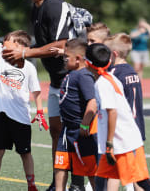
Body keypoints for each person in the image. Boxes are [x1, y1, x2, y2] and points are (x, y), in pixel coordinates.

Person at [2, 0, 80, 191]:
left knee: (72, 134)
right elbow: (44, 45)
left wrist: (25, 53)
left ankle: (79, 183)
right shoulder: (37, 8)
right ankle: (59, 184)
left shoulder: (54, 6)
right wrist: (18, 55)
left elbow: (61, 44)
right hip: (57, 80)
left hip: (71, 78)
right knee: (56, 132)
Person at [0, 0, 43, 191]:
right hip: (2, 115)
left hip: (21, 118)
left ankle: (31, 184)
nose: (3, 44)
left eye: (7, 42)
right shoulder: (1, 58)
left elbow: (36, 92)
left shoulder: (29, 68)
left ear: (19, 46)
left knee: (25, 153)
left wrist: (40, 112)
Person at [85, 44, 150, 191]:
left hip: (124, 143)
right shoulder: (108, 78)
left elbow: (113, 112)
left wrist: (110, 143)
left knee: (141, 180)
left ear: (88, 63)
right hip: (113, 145)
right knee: (101, 181)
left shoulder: (103, 83)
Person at [104, 33, 150, 191]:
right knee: (133, 175)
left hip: (122, 130)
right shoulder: (132, 72)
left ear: (114, 54)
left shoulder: (114, 74)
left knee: (118, 174)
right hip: (137, 128)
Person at [54, 39, 98, 191]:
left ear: (78, 59)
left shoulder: (84, 76)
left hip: (79, 131)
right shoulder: (72, 72)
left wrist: (85, 124)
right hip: (67, 130)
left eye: (66, 57)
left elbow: (92, 102)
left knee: (90, 169)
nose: (64, 60)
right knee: (60, 164)